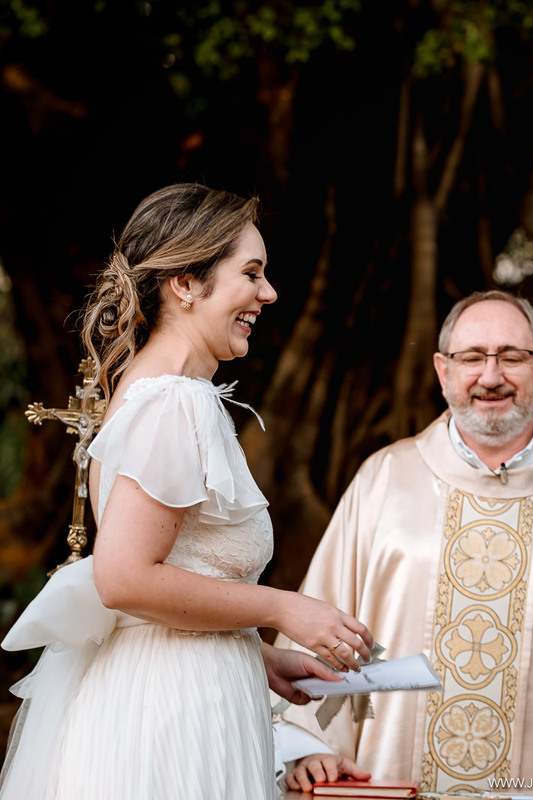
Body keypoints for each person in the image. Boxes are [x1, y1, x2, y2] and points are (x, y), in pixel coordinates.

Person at [0, 183, 375, 800]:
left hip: (175, 683)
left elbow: (166, 578)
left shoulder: (148, 390)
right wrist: (283, 609)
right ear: (186, 285)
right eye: (250, 273)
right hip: (172, 710)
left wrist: (260, 656)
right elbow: (125, 580)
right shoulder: (174, 399)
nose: (268, 293)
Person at [274, 290, 533, 799]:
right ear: (443, 371)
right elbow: (320, 617)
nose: (491, 376)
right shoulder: (384, 480)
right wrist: (309, 742)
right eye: (472, 357)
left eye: (512, 357)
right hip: (386, 779)